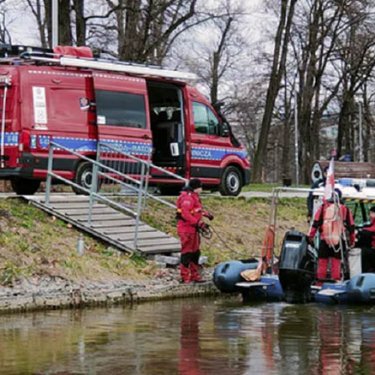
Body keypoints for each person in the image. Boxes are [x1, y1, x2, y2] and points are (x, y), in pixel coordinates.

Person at [308, 190, 355, 282]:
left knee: (322, 262)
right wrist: (352, 241)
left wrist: (310, 236)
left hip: (324, 238)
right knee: (336, 262)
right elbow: (351, 227)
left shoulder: (323, 208)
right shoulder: (345, 209)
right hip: (338, 241)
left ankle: (320, 283)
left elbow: (316, 223)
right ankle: (335, 282)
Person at [176, 178, 213, 283]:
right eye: (201, 187)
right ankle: (185, 277)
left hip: (194, 229)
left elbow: (197, 209)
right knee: (187, 253)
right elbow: (185, 214)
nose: (202, 189)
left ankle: (195, 276)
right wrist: (198, 223)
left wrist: (207, 214)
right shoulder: (187, 198)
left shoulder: (194, 197)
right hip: (186, 229)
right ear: (196, 188)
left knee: (195, 252)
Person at [358, 206, 375, 272]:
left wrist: (360, 231)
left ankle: (365, 271)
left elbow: (371, 230)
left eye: (371, 213)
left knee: (362, 252)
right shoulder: (371, 223)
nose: (370, 215)